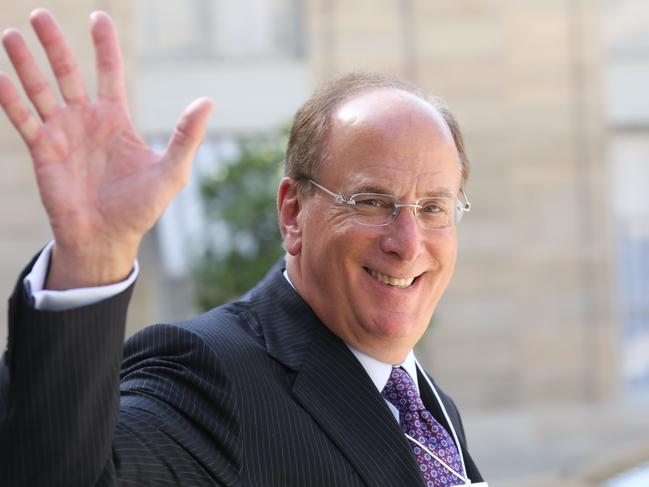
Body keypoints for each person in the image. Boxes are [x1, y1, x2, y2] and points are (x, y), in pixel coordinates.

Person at [0, 9, 486, 487]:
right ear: (293, 213)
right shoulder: (212, 375)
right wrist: (92, 261)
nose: (407, 243)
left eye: (432, 208)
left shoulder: (426, 404)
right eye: (372, 201)